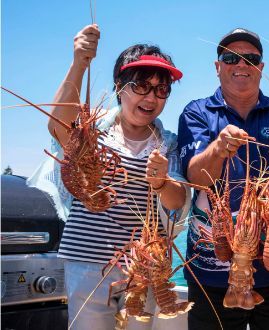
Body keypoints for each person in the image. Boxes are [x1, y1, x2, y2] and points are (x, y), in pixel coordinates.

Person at [27, 24, 191, 329]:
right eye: (141, 85)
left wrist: (162, 182)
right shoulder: (92, 132)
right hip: (89, 261)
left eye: (161, 89)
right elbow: (58, 125)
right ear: (120, 86)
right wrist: (80, 62)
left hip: (147, 266)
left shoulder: (168, 143)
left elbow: (177, 201)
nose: (152, 96)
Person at [177, 28, 269, 330]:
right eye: (230, 58)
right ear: (217, 66)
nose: (241, 65)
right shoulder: (196, 112)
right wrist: (218, 148)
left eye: (250, 59)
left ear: (261, 68)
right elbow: (196, 177)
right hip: (211, 273)